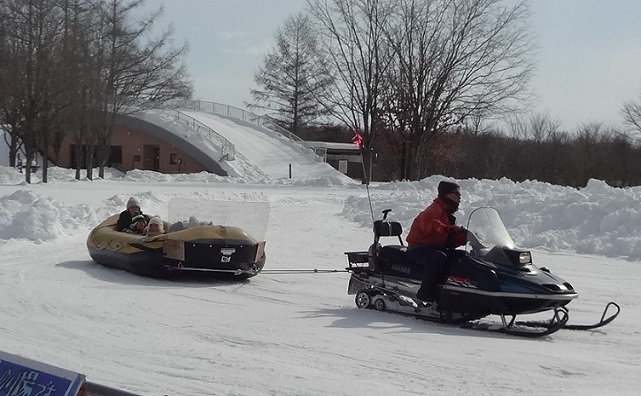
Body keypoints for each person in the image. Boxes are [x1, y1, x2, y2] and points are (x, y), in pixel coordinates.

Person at [405, 180, 468, 302]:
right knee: (438, 257)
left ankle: (454, 289)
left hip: (433, 248)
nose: (459, 197)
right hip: (417, 249)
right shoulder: (435, 208)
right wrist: (446, 228)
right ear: (447, 195)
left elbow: (448, 240)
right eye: (456, 194)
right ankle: (426, 291)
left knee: (462, 256)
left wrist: (465, 237)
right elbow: (429, 224)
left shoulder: (447, 212)